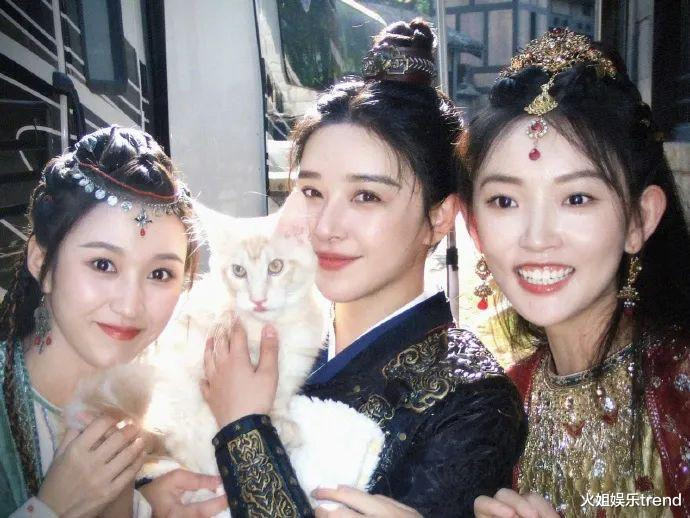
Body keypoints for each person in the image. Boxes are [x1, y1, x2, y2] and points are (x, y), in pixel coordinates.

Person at [201, 19, 527, 518]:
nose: (326, 226)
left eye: (366, 196)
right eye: (312, 192)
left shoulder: (475, 403)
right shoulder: (263, 331)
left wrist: (242, 427)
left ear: (439, 218)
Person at [460, 29, 690, 517]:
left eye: (577, 198)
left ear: (639, 220)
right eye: (505, 201)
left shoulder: (682, 391)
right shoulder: (501, 405)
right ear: (474, 227)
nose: (537, 237)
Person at [0, 126, 226, 517]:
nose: (130, 306)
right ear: (41, 261)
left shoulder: (163, 404)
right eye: (103, 265)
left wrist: (143, 507)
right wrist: (53, 507)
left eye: (160, 274)